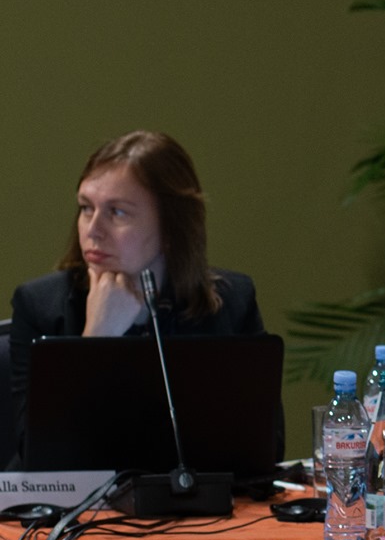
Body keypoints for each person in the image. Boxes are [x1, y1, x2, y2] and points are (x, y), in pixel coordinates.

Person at [10, 132, 266, 460]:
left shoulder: (233, 302)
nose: (93, 229)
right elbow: (42, 460)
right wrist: (96, 339)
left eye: (117, 212)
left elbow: (263, 448)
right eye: (86, 208)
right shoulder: (40, 307)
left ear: (172, 226)